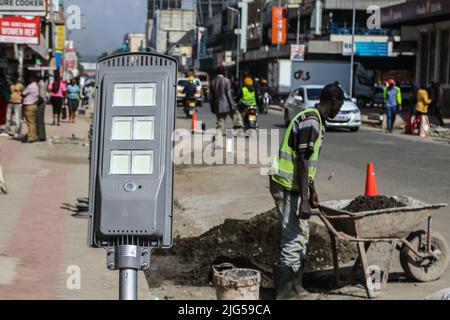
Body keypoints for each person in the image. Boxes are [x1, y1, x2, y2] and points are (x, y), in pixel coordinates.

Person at [270, 83, 344, 299]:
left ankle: (296, 286)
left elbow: (307, 161)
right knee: (293, 237)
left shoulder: (315, 120)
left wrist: (311, 189)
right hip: (286, 185)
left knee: (302, 235)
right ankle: (284, 294)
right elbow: (302, 160)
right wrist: (303, 199)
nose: (339, 110)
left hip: (295, 185)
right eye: (339, 106)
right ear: (334, 101)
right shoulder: (311, 121)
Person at [210, 67, 243, 135]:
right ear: (224, 73)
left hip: (218, 105)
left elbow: (211, 97)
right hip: (227, 104)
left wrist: (213, 107)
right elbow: (229, 94)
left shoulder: (213, 82)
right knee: (236, 116)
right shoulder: (226, 81)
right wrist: (233, 105)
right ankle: (238, 128)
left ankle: (219, 135)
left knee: (220, 122)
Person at [22, 74, 40, 143]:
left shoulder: (30, 86)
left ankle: (30, 138)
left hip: (29, 105)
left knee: (29, 123)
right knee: (33, 122)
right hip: (34, 105)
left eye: (30, 78)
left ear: (32, 78)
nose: (29, 79)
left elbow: (23, 94)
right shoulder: (36, 86)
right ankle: (34, 136)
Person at [37, 74, 47, 141]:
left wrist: (37, 103)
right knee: (40, 120)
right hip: (42, 102)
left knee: (39, 120)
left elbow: (41, 96)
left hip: (40, 103)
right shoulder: (42, 83)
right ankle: (42, 135)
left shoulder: (41, 84)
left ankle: (41, 136)